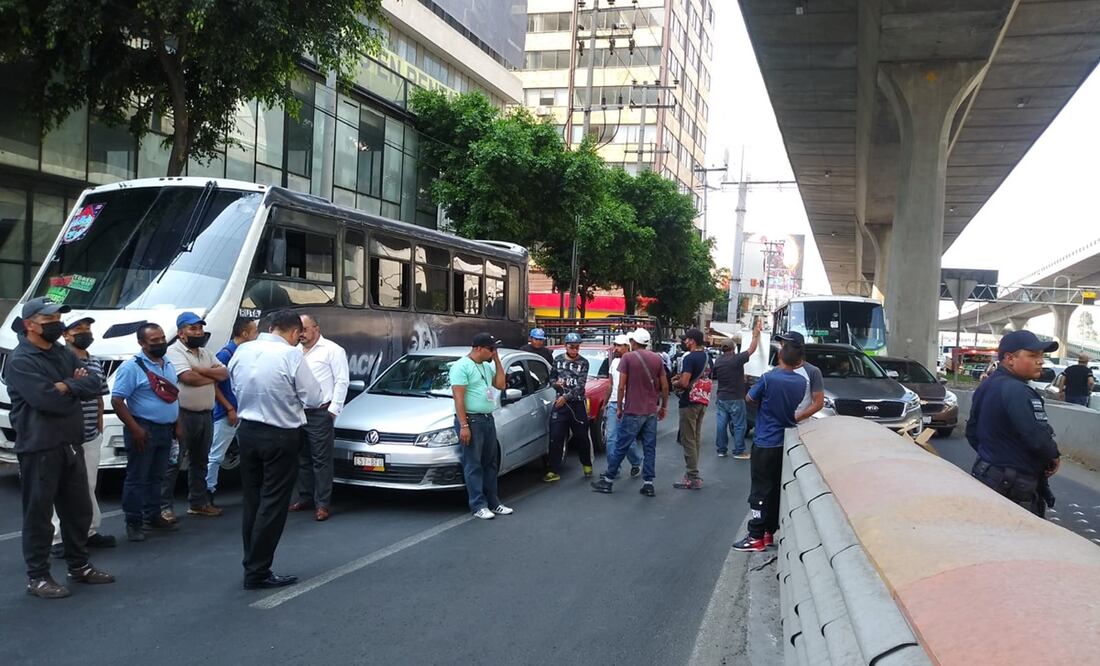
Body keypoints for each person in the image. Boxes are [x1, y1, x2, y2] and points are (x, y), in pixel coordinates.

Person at [5, 297, 115, 598]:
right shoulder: (21, 360)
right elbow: (45, 401)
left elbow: (95, 383)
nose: (56, 325)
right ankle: (38, 577)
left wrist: (66, 385)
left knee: (78, 510)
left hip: (71, 443)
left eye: (57, 319)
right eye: (48, 321)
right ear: (29, 325)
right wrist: (71, 386)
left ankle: (79, 566)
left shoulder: (62, 352)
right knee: (39, 515)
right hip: (40, 446)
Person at [230, 310, 324, 589]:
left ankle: (251, 562)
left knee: (253, 500)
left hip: (247, 432)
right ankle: (257, 570)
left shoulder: (243, 351)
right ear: (294, 333)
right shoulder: (292, 355)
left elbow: (235, 385)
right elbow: (314, 396)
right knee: (273, 503)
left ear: (270, 327)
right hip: (280, 433)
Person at [967, 330, 1061, 517]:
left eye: (1042, 356)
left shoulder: (988, 384)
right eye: (1033, 355)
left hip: (987, 471)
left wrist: (994, 454)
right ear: (1010, 358)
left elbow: (972, 432)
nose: (1041, 361)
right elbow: (1038, 439)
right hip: (1013, 484)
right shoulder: (1018, 391)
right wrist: (1054, 455)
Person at [732, 341, 815, 552]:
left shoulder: (768, 379)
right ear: (800, 363)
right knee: (775, 488)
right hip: (785, 440)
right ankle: (769, 532)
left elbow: (749, 397)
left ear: (779, 356)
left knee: (759, 489)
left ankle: (755, 535)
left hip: (765, 440)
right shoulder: (801, 383)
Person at [49, 315, 115, 558]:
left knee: (89, 484)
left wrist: (98, 422)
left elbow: (98, 395)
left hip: (89, 434)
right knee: (61, 487)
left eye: (88, 327)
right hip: (66, 435)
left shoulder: (95, 362)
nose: (85, 332)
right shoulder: (58, 361)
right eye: (78, 328)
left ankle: (88, 531)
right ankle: (57, 537)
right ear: (65, 334)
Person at [113, 323, 182, 543]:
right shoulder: (131, 367)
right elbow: (117, 400)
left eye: (162, 338)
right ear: (142, 343)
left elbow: (172, 395)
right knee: (137, 478)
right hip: (144, 429)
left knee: (157, 476)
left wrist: (177, 423)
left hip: (166, 429)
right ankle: (133, 522)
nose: (161, 343)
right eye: (155, 340)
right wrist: (135, 428)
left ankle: (153, 516)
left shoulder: (168, 363)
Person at [162, 312, 226, 520]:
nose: (198, 332)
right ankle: (164, 507)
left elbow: (225, 374)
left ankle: (198, 503)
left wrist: (200, 370)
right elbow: (188, 378)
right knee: (174, 462)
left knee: (201, 460)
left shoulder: (205, 353)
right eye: (193, 329)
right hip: (183, 414)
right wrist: (209, 375)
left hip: (206, 414)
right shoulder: (174, 352)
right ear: (181, 333)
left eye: (200, 328)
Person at [591, 327, 669, 497]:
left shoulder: (628, 358)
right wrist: (663, 406)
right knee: (649, 447)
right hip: (650, 410)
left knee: (621, 445)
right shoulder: (657, 359)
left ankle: (609, 479)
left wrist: (619, 407)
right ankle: (648, 483)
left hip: (633, 409)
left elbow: (621, 386)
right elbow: (664, 385)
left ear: (634, 342)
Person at [290, 314, 349, 521]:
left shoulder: (332, 350)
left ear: (316, 328)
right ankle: (304, 496)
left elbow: (342, 381)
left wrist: (333, 411)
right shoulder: (293, 351)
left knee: (321, 460)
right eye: (299, 330)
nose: (301, 334)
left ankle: (322, 504)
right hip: (297, 412)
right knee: (301, 457)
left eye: (305, 329)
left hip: (320, 412)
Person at [449, 333, 513, 519]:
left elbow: (500, 385)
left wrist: (497, 361)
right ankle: (478, 505)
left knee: (490, 463)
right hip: (472, 420)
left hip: (487, 418)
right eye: (491, 349)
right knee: (473, 464)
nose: (493, 352)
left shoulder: (486, 365)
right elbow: (458, 399)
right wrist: (463, 425)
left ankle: (493, 502)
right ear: (478, 348)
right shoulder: (461, 367)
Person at [207, 317, 259, 504]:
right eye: (254, 332)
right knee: (216, 455)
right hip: (227, 413)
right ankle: (207, 492)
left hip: (242, 412)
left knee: (248, 454)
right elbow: (212, 385)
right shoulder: (225, 355)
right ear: (244, 334)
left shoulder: (243, 352)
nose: (257, 335)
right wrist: (229, 408)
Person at [546, 332, 594, 482]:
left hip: (576, 404)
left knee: (581, 436)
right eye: (571, 347)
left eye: (577, 347)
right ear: (566, 346)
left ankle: (586, 464)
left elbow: (580, 386)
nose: (574, 350)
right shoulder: (558, 360)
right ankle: (553, 469)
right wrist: (556, 384)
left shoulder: (584, 363)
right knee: (556, 436)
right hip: (560, 404)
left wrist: (565, 397)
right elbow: (551, 377)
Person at [711, 321, 761, 459]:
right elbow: (752, 349)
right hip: (736, 397)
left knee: (721, 424)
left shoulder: (719, 361)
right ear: (733, 347)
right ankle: (739, 451)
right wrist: (755, 336)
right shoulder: (737, 359)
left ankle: (721, 450)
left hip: (722, 397)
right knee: (739, 425)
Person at [673, 328, 710, 490]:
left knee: (688, 439)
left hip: (689, 401)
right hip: (702, 399)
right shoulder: (707, 357)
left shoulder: (690, 358)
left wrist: (675, 382)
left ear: (692, 341)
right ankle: (693, 473)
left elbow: (685, 383)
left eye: (686, 339)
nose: (684, 342)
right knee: (695, 438)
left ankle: (692, 476)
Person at [604, 334, 642, 479]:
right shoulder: (614, 363)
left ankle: (636, 462)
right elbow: (611, 384)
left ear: (628, 347)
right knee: (611, 438)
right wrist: (605, 402)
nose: (616, 348)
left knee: (627, 439)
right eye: (615, 345)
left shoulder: (633, 362)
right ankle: (613, 469)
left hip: (629, 404)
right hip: (614, 404)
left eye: (619, 345)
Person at [776, 332, 825, 421]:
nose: (782, 349)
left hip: (800, 427)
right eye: (782, 345)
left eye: (786, 345)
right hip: (776, 427)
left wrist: (795, 418)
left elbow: (818, 403)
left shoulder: (812, 372)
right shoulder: (774, 371)